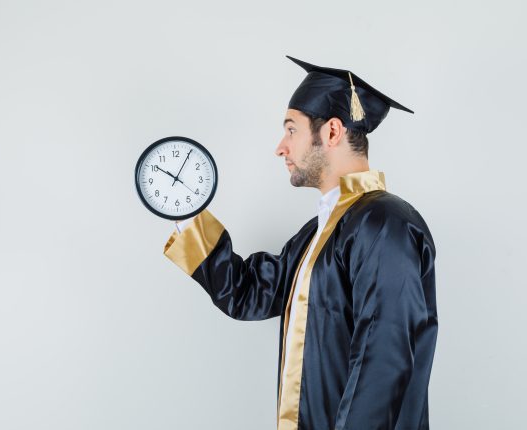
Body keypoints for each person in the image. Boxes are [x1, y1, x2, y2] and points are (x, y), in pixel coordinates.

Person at [163, 56, 437, 430]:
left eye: (291, 130)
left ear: (332, 132)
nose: (280, 147)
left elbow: (384, 359)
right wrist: (185, 207)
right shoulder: (319, 231)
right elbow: (248, 293)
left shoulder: (383, 223)